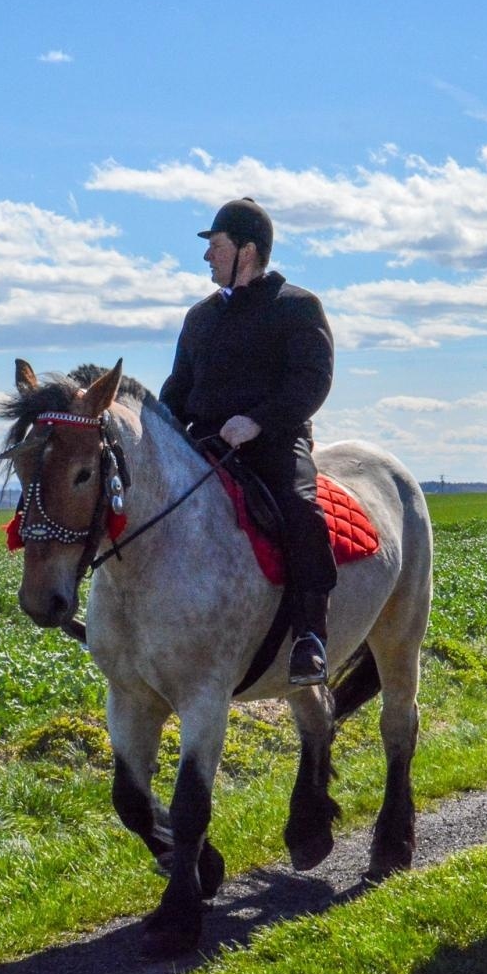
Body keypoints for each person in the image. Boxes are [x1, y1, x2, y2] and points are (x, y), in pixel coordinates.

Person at [160, 197, 337, 685]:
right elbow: (176, 391)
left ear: (248, 250)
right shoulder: (199, 318)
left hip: (274, 445)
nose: (206, 256)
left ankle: (309, 636)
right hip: (203, 447)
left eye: (215, 246)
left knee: (302, 512)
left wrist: (258, 422)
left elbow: (312, 381)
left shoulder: (297, 308)